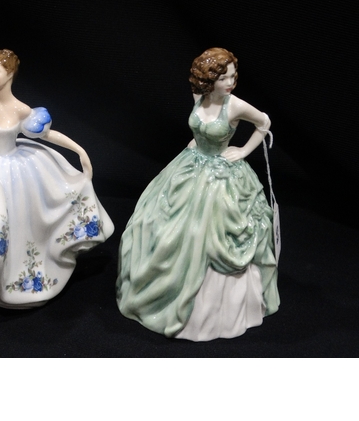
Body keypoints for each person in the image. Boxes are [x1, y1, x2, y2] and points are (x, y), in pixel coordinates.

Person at [0, 49, 114, 309]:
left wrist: (79, 150)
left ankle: (17, 279)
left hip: (19, 172)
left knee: (22, 226)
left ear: (9, 74)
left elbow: (47, 135)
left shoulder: (20, 109)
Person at [116, 47, 279, 341]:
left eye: (233, 76)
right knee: (157, 221)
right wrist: (197, 142)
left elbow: (264, 123)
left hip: (221, 177)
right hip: (190, 165)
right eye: (223, 78)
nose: (230, 83)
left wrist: (243, 151)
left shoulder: (235, 105)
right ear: (208, 80)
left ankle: (209, 309)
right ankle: (159, 293)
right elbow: (198, 127)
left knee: (204, 233)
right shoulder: (198, 96)